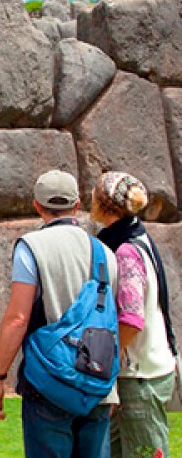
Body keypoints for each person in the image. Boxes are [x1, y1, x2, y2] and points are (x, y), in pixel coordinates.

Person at [0, 170, 119, 458]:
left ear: (37, 205)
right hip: (97, 383)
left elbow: (18, 318)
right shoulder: (106, 253)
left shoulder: (30, 248)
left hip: (49, 383)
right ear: (78, 204)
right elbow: (112, 322)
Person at [92, 172, 177, 458]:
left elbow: (131, 320)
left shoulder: (126, 250)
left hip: (138, 377)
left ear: (104, 206)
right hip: (141, 372)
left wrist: (106, 362)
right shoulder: (136, 237)